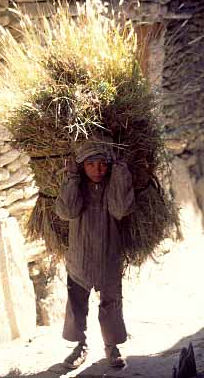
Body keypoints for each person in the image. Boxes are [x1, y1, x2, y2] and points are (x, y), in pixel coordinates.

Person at [55, 135, 135, 369]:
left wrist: (120, 172)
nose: (96, 169)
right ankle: (79, 346)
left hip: (109, 259)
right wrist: (70, 178)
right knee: (76, 305)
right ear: (81, 166)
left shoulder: (113, 184)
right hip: (79, 259)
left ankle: (112, 347)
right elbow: (67, 212)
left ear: (109, 164)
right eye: (90, 164)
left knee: (111, 304)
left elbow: (121, 209)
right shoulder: (76, 185)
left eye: (102, 163)